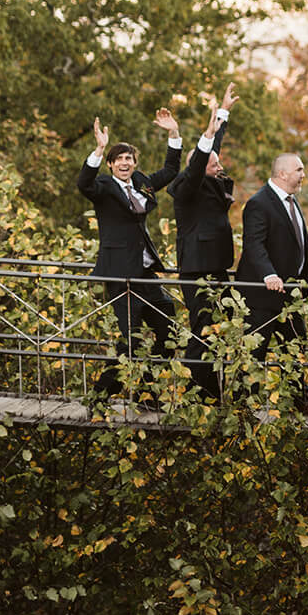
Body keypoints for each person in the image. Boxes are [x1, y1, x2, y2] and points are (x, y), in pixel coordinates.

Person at [78, 113, 186, 397]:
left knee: (169, 332)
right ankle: (101, 394)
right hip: (119, 275)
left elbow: (171, 170)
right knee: (132, 344)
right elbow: (83, 184)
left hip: (146, 274)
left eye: (129, 159)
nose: (125, 163)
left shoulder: (142, 184)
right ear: (111, 164)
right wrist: (99, 149)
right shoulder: (102, 186)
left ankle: (147, 392)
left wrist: (174, 134)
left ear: (134, 163)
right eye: (119, 159)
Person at [164, 83, 240, 400]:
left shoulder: (210, 177)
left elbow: (211, 151)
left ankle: (223, 389)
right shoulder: (188, 186)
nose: (220, 164)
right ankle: (203, 396)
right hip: (198, 271)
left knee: (226, 328)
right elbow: (199, 161)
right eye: (214, 161)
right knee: (203, 332)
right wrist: (206, 136)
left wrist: (222, 113)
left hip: (217, 269)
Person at [235, 150, 308, 405]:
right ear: (283, 173)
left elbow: (299, 244)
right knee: (255, 353)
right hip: (262, 295)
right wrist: (269, 274)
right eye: (299, 170)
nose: (304, 175)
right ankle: (245, 406)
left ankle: (300, 403)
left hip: (291, 294)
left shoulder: (291, 201)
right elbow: (254, 244)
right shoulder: (258, 203)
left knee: (295, 348)